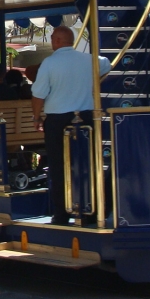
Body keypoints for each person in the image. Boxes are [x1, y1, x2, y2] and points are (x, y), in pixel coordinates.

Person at [31, 26, 111, 225]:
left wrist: (36, 117)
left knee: (59, 167)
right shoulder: (90, 60)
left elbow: (38, 94)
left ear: (57, 41)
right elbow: (107, 65)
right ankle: (92, 209)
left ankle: (61, 213)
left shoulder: (49, 63)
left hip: (58, 119)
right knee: (89, 164)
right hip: (86, 118)